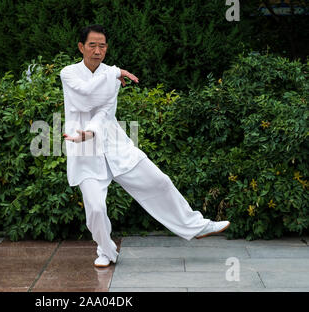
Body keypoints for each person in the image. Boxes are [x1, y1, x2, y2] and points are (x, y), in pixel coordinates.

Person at [60, 25, 230, 268]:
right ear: (81, 47)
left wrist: (91, 131)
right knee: (96, 209)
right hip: (84, 150)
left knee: (159, 181)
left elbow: (104, 111)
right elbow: (85, 96)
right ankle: (106, 250)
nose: (98, 51)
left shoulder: (112, 76)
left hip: (114, 144)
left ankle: (197, 225)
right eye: (92, 45)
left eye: (103, 46)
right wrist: (115, 73)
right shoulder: (70, 73)